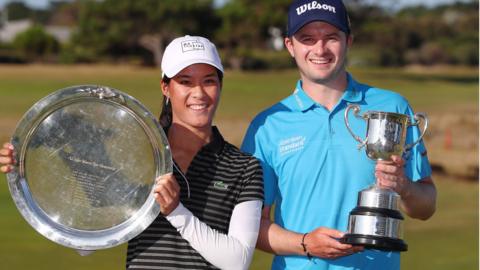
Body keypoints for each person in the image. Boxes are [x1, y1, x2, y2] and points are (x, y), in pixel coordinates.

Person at [0, 35, 264, 270]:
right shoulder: (139, 153)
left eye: (209, 81)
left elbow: (237, 261)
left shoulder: (244, 167)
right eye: (185, 81)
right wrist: (23, 168)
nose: (199, 93)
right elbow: (87, 243)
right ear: (166, 88)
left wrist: (175, 211)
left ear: (220, 85)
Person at [240, 1, 437, 269]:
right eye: (307, 39)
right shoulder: (267, 126)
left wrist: (404, 185)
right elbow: (252, 226)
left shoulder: (393, 108)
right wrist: (306, 243)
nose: (319, 49)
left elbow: (426, 207)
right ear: (289, 45)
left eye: (331, 37)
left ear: (348, 41)